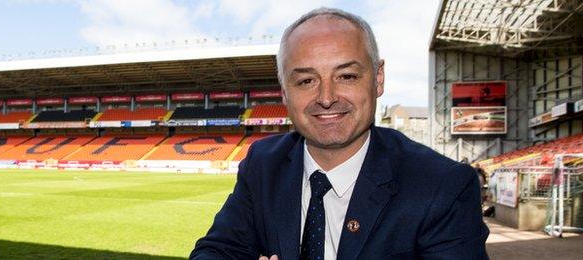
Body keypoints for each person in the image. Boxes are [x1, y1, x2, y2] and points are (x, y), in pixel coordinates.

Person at [191, 7, 489, 260]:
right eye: (306, 81)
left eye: (346, 76)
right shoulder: (263, 163)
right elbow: (216, 250)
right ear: (284, 93)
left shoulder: (442, 185)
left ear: (378, 79)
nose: (326, 97)